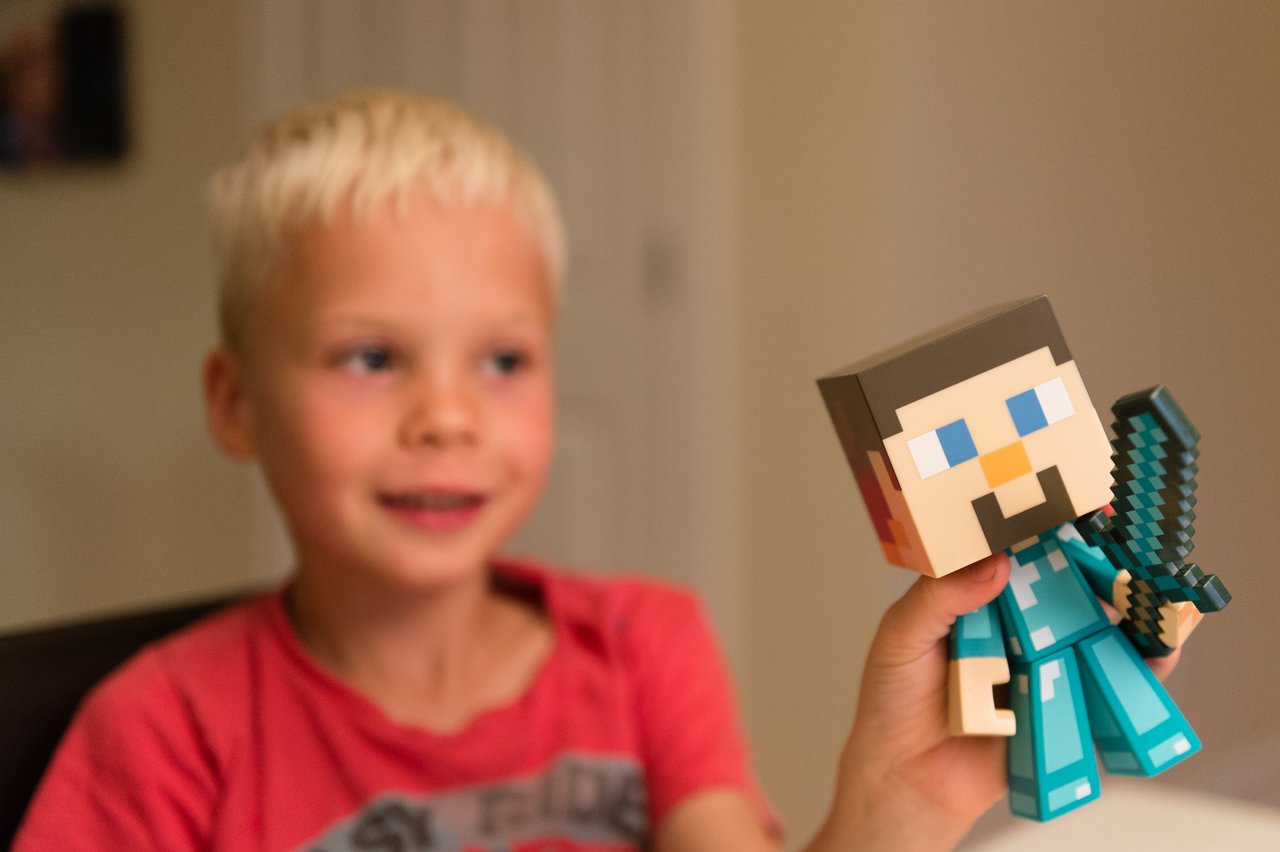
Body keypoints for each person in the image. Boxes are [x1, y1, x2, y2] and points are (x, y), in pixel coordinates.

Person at [14, 89, 1182, 851]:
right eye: (370, 357)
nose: (445, 415)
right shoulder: (162, 733)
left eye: (502, 359)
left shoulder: (641, 649)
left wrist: (903, 804)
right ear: (235, 404)